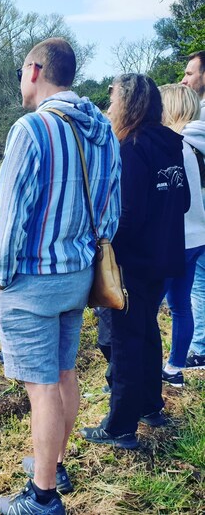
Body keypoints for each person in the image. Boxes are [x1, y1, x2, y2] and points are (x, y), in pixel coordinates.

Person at [0, 38, 121, 515]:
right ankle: (54, 464)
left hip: (32, 279)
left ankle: (42, 497)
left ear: (35, 70)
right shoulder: (102, 128)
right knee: (65, 372)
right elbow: (111, 210)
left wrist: (1, 279)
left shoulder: (31, 130)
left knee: (42, 387)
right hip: (79, 275)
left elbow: (11, 216)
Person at [81, 75, 189, 449]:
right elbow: (184, 199)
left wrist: (103, 245)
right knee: (145, 331)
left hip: (131, 261)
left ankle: (120, 426)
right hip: (165, 256)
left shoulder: (129, 146)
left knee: (121, 341)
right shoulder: (172, 143)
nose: (109, 107)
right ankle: (150, 404)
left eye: (112, 100)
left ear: (126, 103)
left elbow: (127, 214)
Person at [159, 84, 205, 386]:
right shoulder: (198, 145)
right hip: (198, 235)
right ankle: (175, 367)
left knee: (149, 305)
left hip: (175, 238)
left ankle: (146, 368)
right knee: (181, 304)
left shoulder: (177, 145)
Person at [181, 51, 205, 370]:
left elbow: (179, 133)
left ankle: (199, 347)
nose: (184, 79)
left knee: (199, 283)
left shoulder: (197, 122)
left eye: (189, 73)